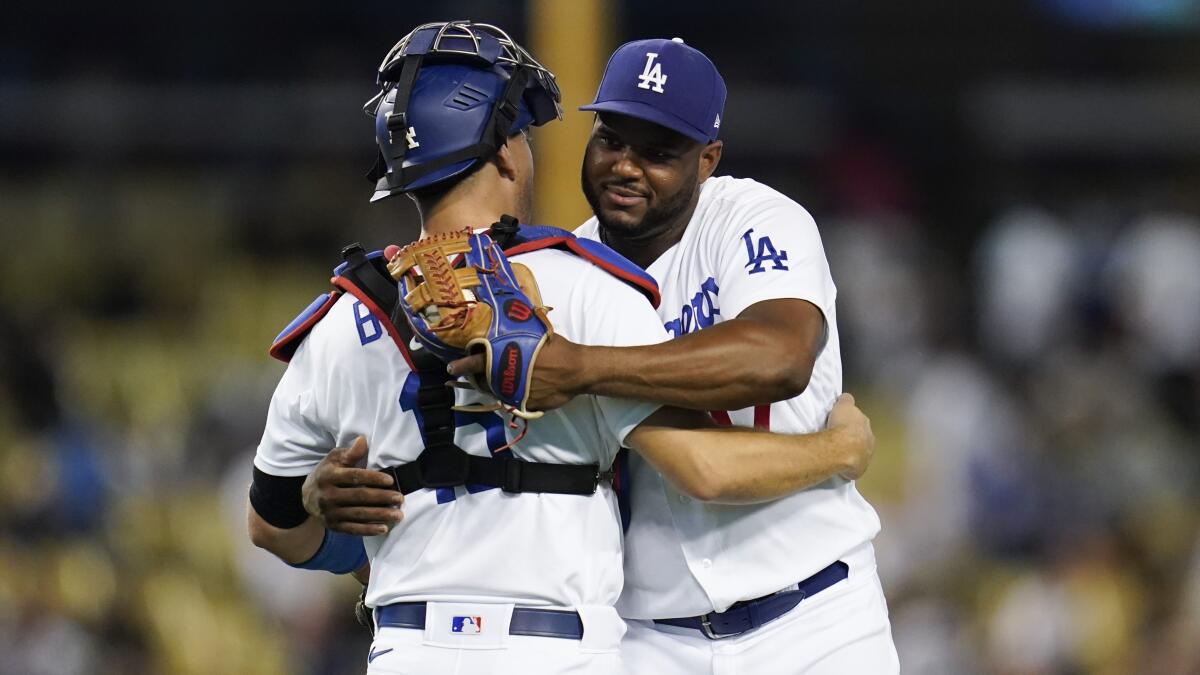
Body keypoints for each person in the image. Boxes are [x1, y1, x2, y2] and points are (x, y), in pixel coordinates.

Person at [246, 21, 876, 675]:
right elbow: (706, 469)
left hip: (408, 645)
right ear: (505, 154)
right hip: (558, 649)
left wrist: (332, 515)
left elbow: (271, 526)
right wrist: (839, 449)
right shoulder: (585, 288)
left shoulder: (342, 319)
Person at [444, 37, 900, 673]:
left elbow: (781, 357)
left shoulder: (755, 220)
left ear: (707, 159)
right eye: (611, 139)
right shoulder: (559, 272)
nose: (625, 167)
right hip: (649, 639)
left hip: (816, 616)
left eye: (658, 152)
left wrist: (581, 368)